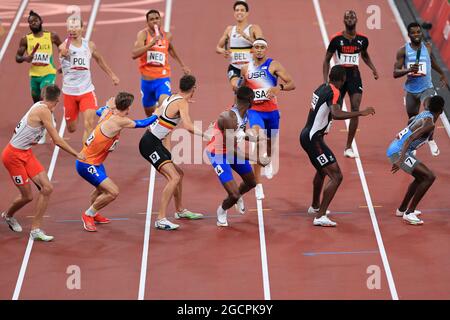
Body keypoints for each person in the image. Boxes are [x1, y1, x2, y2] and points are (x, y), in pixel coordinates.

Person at [1, 85, 84, 241]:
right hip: (12, 156)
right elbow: (57, 140)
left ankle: (35, 230)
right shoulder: (43, 111)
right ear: (57, 100)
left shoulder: (42, 106)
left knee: (47, 188)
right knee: (27, 196)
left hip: (26, 153)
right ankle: (8, 215)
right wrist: (76, 154)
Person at [300, 65, 375, 227]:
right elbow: (336, 113)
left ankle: (315, 207)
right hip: (314, 140)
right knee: (336, 176)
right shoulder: (334, 92)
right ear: (343, 79)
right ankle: (320, 216)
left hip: (307, 135)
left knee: (322, 171)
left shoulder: (322, 87)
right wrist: (360, 112)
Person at [76, 92, 157, 232]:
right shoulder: (119, 120)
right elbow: (143, 123)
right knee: (113, 192)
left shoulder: (108, 112)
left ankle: (93, 213)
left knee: (101, 189)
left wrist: (107, 106)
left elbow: (99, 110)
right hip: (87, 164)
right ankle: (88, 214)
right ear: (127, 107)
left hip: (95, 161)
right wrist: (158, 113)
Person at [139, 75, 206, 230]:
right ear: (193, 89)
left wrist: (168, 151)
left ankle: (180, 210)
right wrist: (206, 135)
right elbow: (188, 127)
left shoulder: (172, 97)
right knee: (174, 177)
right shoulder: (182, 102)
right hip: (149, 144)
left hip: (155, 141)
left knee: (179, 174)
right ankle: (160, 218)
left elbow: (162, 119)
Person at [240, 38, 295, 200]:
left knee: (270, 144)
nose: (258, 50)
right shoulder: (245, 68)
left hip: (271, 111)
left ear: (266, 50)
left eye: (261, 47)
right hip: (255, 110)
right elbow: (242, 90)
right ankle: (258, 185)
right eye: (256, 47)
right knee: (257, 139)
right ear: (252, 50)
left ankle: (268, 160)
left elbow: (292, 83)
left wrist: (280, 87)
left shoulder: (274, 65)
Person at [206, 86, 269, 227]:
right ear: (250, 100)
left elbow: (240, 133)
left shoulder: (244, 113)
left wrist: (254, 138)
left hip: (230, 149)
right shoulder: (228, 117)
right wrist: (257, 159)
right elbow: (230, 150)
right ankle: (222, 210)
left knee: (251, 182)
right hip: (218, 153)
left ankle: (237, 197)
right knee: (233, 195)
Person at [323, 10, 379, 159]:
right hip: (338, 77)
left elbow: (365, 55)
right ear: (343, 20)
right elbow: (326, 59)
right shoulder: (336, 39)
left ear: (356, 19)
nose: (349, 19)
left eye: (352, 16)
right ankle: (326, 124)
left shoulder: (363, 40)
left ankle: (348, 147)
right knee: (336, 109)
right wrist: (325, 81)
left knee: (355, 107)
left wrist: (373, 69)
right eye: (347, 17)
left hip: (354, 76)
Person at [59, 16, 119, 143]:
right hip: (69, 93)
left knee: (89, 124)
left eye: (76, 27)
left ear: (82, 28)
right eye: (71, 27)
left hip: (87, 91)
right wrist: (63, 53)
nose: (73, 30)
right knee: (72, 128)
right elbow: (62, 52)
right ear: (67, 29)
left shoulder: (89, 45)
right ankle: (74, 115)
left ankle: (85, 157)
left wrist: (112, 75)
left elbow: (99, 59)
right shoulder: (64, 46)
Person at [386, 95, 444, 225]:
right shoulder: (429, 124)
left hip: (398, 148)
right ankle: (409, 213)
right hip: (399, 152)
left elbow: (412, 120)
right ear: (441, 111)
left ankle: (402, 209)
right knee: (429, 177)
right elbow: (409, 139)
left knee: (420, 177)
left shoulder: (425, 113)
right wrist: (400, 160)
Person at [393, 22, 448, 157]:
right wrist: (408, 70)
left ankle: (430, 139)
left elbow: (432, 61)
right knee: (412, 119)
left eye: (419, 32)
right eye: (413, 32)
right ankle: (412, 144)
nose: (417, 35)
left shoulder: (427, 47)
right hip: (411, 90)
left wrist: (441, 73)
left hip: (426, 88)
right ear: (409, 34)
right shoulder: (403, 51)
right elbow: (395, 72)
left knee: (431, 113)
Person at [132, 9, 190, 117]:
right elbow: (134, 54)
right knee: (150, 117)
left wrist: (182, 65)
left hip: (162, 78)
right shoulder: (143, 35)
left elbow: (171, 49)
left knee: (165, 105)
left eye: (157, 19)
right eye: (151, 19)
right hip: (147, 82)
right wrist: (151, 43)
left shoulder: (167, 35)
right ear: (147, 22)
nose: (155, 21)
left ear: (160, 20)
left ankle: (165, 120)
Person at [216, 1, 263, 91]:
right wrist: (224, 51)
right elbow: (218, 48)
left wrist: (245, 36)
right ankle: (237, 104)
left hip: (251, 67)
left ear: (247, 13)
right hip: (235, 67)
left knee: (251, 91)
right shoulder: (229, 29)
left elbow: (261, 44)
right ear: (234, 13)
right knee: (237, 87)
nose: (239, 12)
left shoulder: (254, 28)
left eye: (242, 10)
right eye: (237, 10)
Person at [16, 11, 62, 103]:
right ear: (29, 25)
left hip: (49, 73)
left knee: (44, 97)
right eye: (31, 22)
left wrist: (63, 64)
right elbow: (17, 57)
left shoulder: (51, 36)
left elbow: (62, 49)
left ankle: (48, 116)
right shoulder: (25, 39)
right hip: (34, 76)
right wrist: (26, 58)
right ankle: (49, 116)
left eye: (35, 20)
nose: (33, 23)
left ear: (41, 21)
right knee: (37, 103)